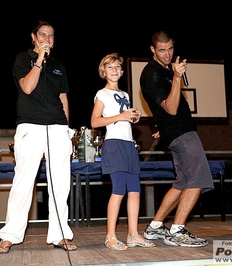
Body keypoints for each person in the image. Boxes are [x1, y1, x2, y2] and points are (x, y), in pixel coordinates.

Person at [0, 20, 77, 253]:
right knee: (23, 182)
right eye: (43, 35)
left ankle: (60, 235)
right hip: (30, 127)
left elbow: (63, 99)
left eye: (51, 36)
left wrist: (67, 131)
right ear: (33, 36)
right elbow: (28, 87)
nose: (47, 39)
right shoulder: (23, 59)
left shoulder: (59, 65)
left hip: (58, 128)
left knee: (60, 185)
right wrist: (39, 59)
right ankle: (10, 235)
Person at [139, 30, 214, 247]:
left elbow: (164, 112)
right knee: (197, 178)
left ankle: (154, 227)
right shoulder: (152, 74)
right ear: (153, 49)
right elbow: (171, 108)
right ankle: (178, 230)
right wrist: (178, 77)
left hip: (175, 132)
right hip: (182, 134)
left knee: (182, 182)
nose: (167, 54)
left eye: (170, 48)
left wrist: (163, 126)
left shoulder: (163, 70)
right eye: (162, 50)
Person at [91, 53, 155, 251]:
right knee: (118, 190)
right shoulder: (102, 94)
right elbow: (95, 121)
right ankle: (110, 236)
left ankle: (133, 235)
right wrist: (121, 115)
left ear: (122, 70)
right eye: (110, 67)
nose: (114, 70)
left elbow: (122, 118)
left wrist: (132, 117)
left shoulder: (125, 95)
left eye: (118, 66)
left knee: (135, 191)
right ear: (104, 72)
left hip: (129, 145)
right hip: (114, 145)